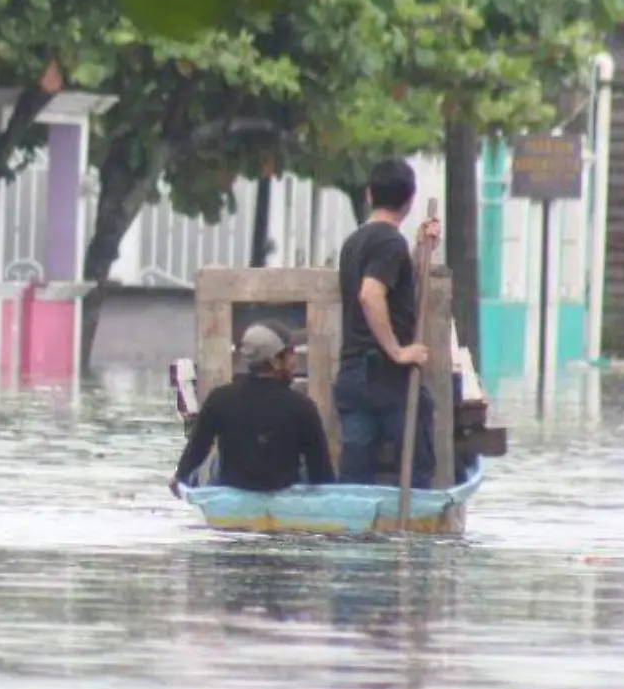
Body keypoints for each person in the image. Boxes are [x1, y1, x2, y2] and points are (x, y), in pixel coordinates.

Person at [332, 158, 442, 488]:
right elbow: (371, 293)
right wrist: (396, 351)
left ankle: (357, 535)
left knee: (356, 479)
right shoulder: (390, 243)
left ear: (368, 195)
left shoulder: (355, 242)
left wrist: (422, 249)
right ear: (409, 201)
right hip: (386, 377)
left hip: (354, 373)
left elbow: (391, 285)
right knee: (417, 469)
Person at [169, 322, 334, 496]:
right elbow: (321, 473)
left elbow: (198, 447)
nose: (295, 360)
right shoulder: (302, 406)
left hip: (233, 487)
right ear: (275, 362)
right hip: (282, 490)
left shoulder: (220, 398)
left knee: (214, 463)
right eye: (291, 353)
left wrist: (179, 476)